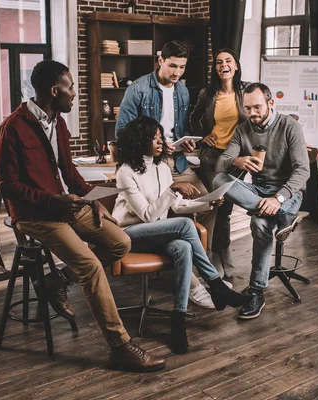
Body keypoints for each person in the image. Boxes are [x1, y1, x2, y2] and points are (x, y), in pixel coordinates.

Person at [0, 60, 165, 372]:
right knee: (89, 265)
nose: (74, 93)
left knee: (120, 242)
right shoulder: (12, 128)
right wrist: (52, 200)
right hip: (35, 215)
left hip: (68, 207)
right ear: (53, 89)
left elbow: (69, 171)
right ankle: (120, 347)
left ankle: (56, 281)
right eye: (70, 86)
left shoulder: (57, 122)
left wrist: (92, 199)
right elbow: (6, 186)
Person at [112, 116, 251, 354]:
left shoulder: (163, 168)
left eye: (160, 137)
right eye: (154, 138)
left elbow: (175, 208)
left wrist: (208, 204)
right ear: (139, 140)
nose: (160, 142)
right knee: (186, 227)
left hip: (157, 233)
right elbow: (147, 215)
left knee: (184, 247)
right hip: (129, 235)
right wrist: (172, 189)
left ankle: (178, 319)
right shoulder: (125, 172)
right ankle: (216, 285)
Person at [116, 40, 218, 309]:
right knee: (165, 213)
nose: (177, 73)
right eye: (172, 65)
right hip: (149, 162)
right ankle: (197, 283)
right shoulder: (138, 89)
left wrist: (186, 143)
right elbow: (122, 133)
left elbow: (181, 127)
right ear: (160, 60)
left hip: (176, 162)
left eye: (182, 67)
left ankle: (196, 271)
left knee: (209, 203)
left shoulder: (182, 91)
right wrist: (155, 144)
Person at [213, 82, 310, 320]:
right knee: (219, 180)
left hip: (287, 193)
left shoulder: (290, 126)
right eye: (248, 109)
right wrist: (235, 162)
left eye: (257, 107)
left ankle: (256, 290)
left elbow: (303, 171)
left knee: (259, 224)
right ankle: (282, 218)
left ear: (270, 103)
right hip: (258, 190)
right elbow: (222, 162)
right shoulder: (243, 129)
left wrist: (278, 198)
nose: (252, 113)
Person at [190, 48, 247, 281]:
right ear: (216, 68)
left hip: (237, 158)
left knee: (226, 208)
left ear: (235, 66)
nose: (223, 65)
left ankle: (220, 256)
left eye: (228, 61)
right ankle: (217, 258)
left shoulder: (245, 92)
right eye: (218, 62)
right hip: (212, 157)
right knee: (218, 207)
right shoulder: (208, 93)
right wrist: (203, 136)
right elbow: (193, 117)